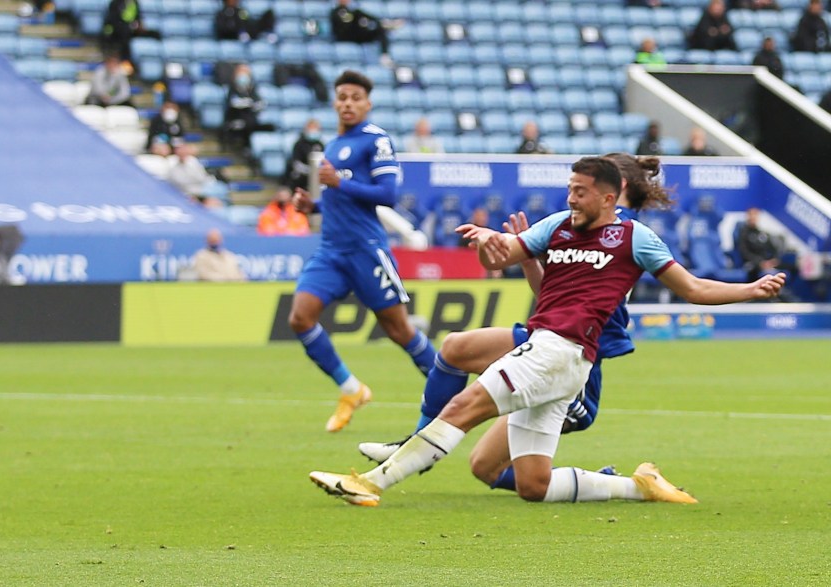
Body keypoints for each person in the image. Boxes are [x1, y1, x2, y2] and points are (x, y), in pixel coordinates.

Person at [310, 156, 786, 507]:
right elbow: (505, 256)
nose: (570, 198)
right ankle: (637, 486)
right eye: (569, 188)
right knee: (532, 485)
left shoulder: (634, 238)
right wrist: (487, 244)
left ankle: (371, 482)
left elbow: (694, 288)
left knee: (464, 405)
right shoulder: (557, 225)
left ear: (607, 196)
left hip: (564, 353)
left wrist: (751, 290)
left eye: (580, 191)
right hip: (554, 352)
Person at [358, 153, 679, 499]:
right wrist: (526, 256)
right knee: (483, 452)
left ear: (617, 189)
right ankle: (628, 486)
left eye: (587, 186)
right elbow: (550, 297)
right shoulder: (580, 223)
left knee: (478, 425)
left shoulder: (623, 232)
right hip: (547, 340)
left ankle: (412, 453)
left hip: (577, 364)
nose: (575, 196)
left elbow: (681, 284)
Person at [289, 70, 436, 433]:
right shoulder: (334, 144)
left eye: (355, 97)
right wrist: (316, 207)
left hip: (365, 250)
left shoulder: (375, 140)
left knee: (399, 330)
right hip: (331, 251)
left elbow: (387, 195)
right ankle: (351, 389)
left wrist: (341, 181)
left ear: (368, 103)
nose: (348, 103)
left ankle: (448, 387)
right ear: (334, 102)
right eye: (342, 97)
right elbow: (342, 197)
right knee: (300, 317)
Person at [222, 63, 272, 151]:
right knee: (248, 124)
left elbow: (258, 102)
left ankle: (256, 149)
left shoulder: (252, 88)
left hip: (250, 118)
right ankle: (246, 148)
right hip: (235, 117)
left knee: (269, 127)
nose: (243, 76)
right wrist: (247, 103)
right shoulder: (232, 87)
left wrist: (254, 104)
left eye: (246, 73)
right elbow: (232, 103)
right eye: (242, 73)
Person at [330, 0, 394, 68]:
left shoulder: (354, 12)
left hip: (357, 36)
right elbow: (345, 23)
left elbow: (367, 18)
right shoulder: (336, 11)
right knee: (359, 18)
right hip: (344, 37)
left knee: (380, 30)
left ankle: (384, 55)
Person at [99, 0, 160, 66]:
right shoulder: (115, 3)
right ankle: (126, 60)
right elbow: (113, 19)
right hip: (119, 29)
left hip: (132, 29)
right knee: (125, 35)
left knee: (155, 34)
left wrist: (139, 25)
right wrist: (129, 25)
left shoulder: (135, 3)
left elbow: (138, 17)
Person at [735, 207, 786, 282]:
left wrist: (773, 260)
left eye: (755, 215)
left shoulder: (761, 233)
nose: (753, 217)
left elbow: (772, 248)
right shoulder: (743, 233)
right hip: (753, 263)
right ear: (747, 216)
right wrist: (760, 263)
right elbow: (744, 252)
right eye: (751, 215)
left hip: (766, 262)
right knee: (756, 270)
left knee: (791, 266)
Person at [284, 119, 326, 191]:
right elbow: (296, 164)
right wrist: (311, 171)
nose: (314, 131)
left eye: (316, 128)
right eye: (312, 128)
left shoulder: (320, 144)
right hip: (301, 180)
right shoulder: (299, 144)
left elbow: (324, 161)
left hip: (316, 180)